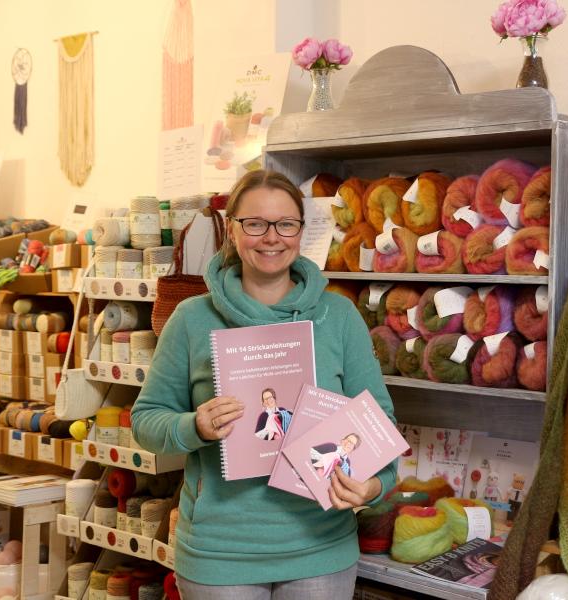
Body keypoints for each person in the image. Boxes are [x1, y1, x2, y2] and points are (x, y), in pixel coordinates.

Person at [131, 170, 397, 599]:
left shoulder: (339, 317)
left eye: (285, 224)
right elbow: (146, 422)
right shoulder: (191, 319)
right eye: (254, 224)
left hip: (320, 548)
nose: (271, 237)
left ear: (300, 231)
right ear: (232, 230)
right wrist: (194, 427)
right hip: (220, 555)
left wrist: (373, 485)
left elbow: (379, 420)